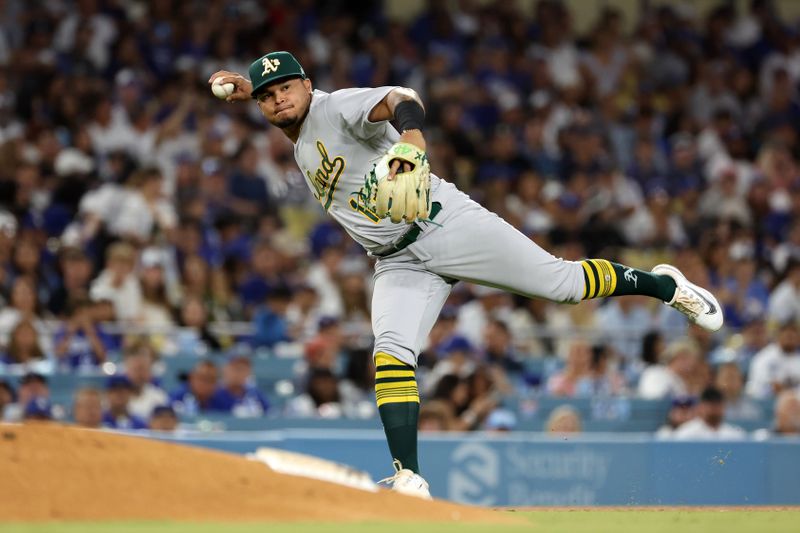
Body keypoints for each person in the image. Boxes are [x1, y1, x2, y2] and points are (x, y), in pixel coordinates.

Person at [210, 51, 724, 498]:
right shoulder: (297, 134)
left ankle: (665, 285)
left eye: (286, 87)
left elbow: (401, 97)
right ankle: (409, 476)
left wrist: (409, 139)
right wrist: (245, 86)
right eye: (268, 95)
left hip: (442, 221)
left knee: (564, 285)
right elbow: (274, 96)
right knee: (390, 352)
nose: (279, 98)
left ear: (307, 83)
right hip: (396, 258)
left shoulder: (334, 106)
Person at [672, 387, 746, 440]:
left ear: (723, 407)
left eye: (717, 403)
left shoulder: (735, 435)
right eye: (710, 403)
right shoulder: (686, 434)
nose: (714, 408)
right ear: (700, 407)